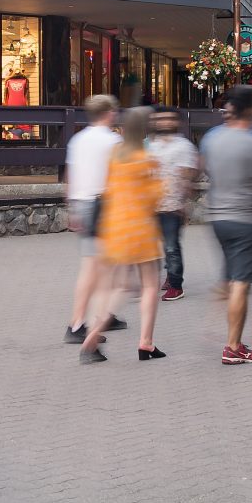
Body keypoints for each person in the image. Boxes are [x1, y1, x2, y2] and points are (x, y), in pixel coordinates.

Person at [79, 106, 166, 365]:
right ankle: (145, 343)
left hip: (114, 228)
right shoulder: (148, 159)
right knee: (150, 286)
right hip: (141, 231)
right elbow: (155, 197)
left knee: (118, 286)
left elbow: (108, 188)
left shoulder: (114, 155)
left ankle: (92, 335)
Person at [202, 85, 252, 365]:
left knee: (232, 280)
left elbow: (205, 168)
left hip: (218, 217)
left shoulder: (212, 137)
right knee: (241, 285)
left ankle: (237, 339)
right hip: (245, 219)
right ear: (250, 110)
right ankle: (232, 346)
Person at [63, 95, 125, 344]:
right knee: (97, 267)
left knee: (98, 265)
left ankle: (100, 316)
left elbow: (70, 174)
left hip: (82, 201)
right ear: (109, 113)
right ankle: (79, 323)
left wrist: (71, 207)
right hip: (104, 205)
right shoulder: (114, 141)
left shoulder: (77, 140)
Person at [146, 107, 197, 301]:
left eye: (168, 118)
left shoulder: (183, 146)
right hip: (152, 204)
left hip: (172, 204)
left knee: (171, 246)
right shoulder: (151, 144)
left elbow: (187, 175)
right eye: (160, 119)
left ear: (176, 122)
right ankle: (169, 275)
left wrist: (182, 203)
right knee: (160, 244)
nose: (164, 122)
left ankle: (176, 285)